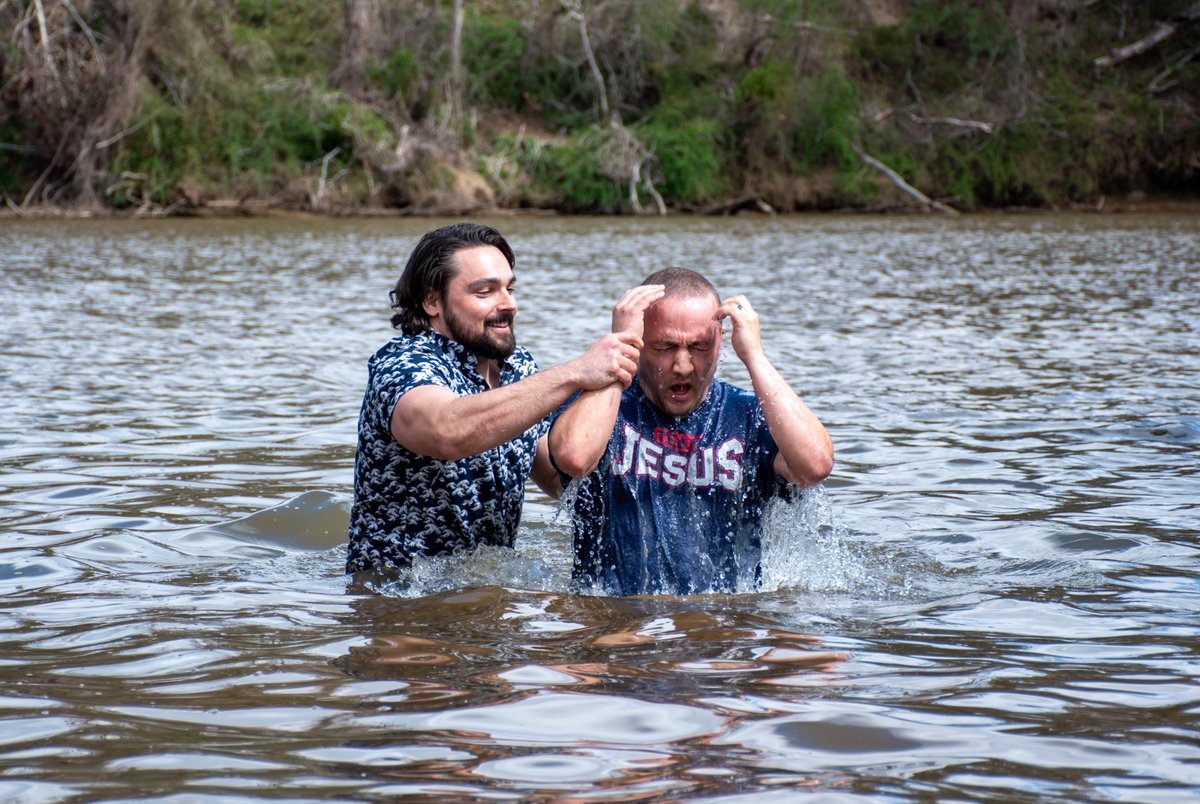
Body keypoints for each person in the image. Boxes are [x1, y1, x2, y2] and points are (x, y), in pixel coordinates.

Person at [346, 222, 641, 573]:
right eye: (485, 292)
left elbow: (556, 474)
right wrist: (578, 372)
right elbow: (447, 431)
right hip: (396, 599)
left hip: (483, 599)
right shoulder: (402, 364)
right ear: (431, 301)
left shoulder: (518, 367)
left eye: (510, 288)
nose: (508, 304)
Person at [548, 267, 834, 595]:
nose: (683, 365)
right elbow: (574, 456)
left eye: (699, 347)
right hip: (618, 621)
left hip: (721, 627)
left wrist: (755, 356)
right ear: (639, 342)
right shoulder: (600, 407)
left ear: (720, 342)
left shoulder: (746, 414)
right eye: (665, 347)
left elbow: (815, 465)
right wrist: (620, 351)